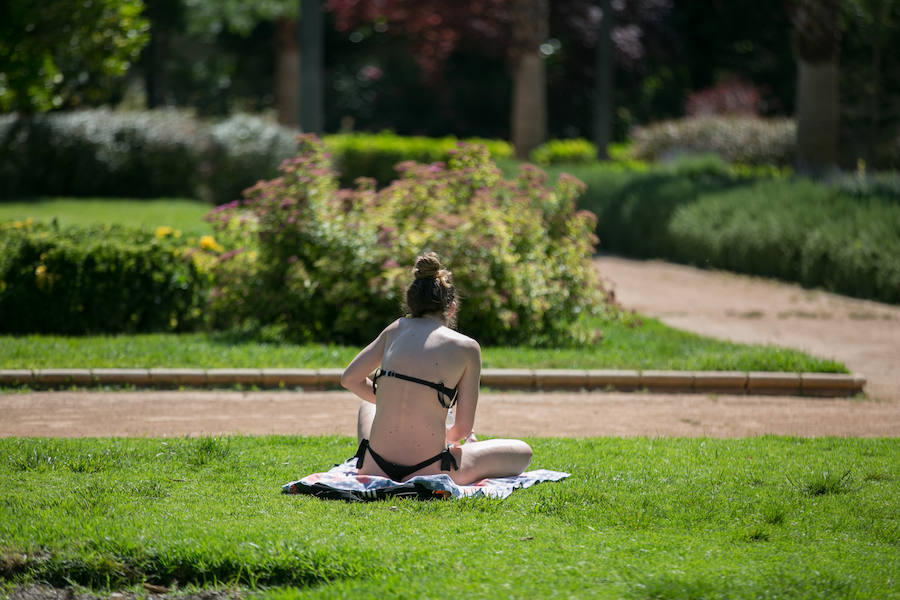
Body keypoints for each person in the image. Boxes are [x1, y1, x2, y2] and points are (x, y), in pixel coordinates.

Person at [340, 252, 533, 485]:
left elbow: (349, 379)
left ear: (412, 304)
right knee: (523, 452)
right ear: (450, 308)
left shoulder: (395, 330)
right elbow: (462, 429)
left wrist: (394, 402)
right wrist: (449, 439)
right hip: (431, 468)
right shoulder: (467, 347)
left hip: (374, 466)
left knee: (366, 406)